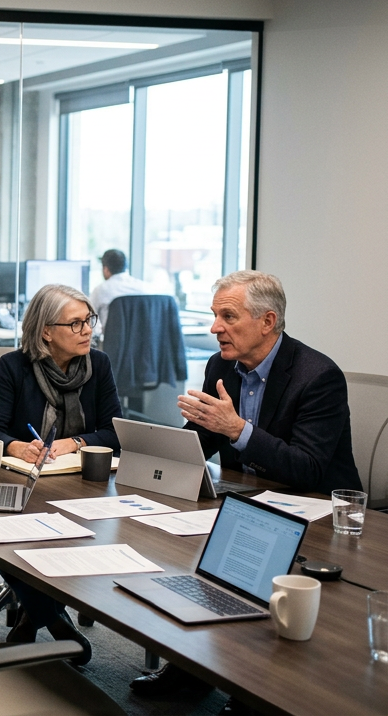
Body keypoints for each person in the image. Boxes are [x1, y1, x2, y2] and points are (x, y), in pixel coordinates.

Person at [131, 270, 360, 713]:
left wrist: (238, 429)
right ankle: (192, 667)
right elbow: (206, 438)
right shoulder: (221, 365)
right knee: (183, 551)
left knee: (243, 565)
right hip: (250, 504)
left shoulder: (318, 376)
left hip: (318, 516)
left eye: (228, 316)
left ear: (268, 321)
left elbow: (309, 469)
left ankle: (252, 688)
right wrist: (161, 452)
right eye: (215, 315)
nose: (215, 327)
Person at [0, 283, 122, 665]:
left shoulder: (99, 365)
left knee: (84, 535)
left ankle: (32, 613)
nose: (87, 330)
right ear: (46, 331)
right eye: (75, 324)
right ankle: (55, 619)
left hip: (82, 485)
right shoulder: (14, 366)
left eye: (88, 320)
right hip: (24, 484)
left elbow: (114, 432)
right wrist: (17, 447)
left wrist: (74, 442)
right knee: (2, 538)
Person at [89, 248, 152, 334]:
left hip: (112, 344)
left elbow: (89, 320)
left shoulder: (101, 290)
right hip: (142, 344)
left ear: (106, 269)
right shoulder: (144, 288)